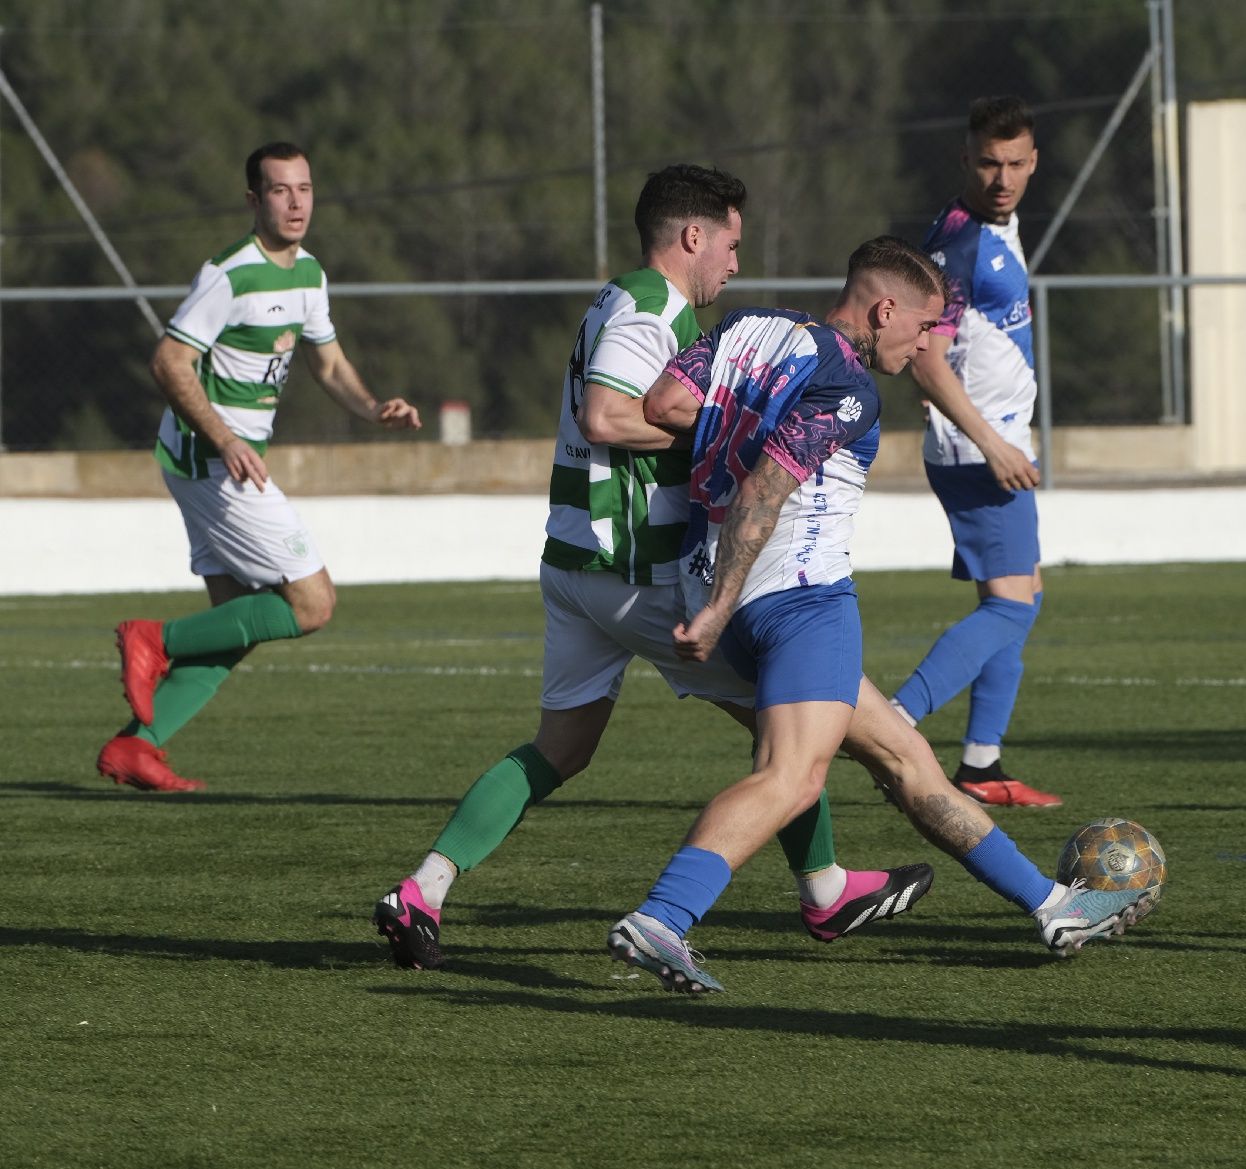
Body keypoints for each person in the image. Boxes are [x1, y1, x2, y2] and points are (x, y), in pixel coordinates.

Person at [372, 166, 933, 970]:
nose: (735, 265)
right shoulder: (651, 305)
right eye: (731, 244)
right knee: (791, 729)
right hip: (630, 564)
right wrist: (728, 432)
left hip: (575, 560)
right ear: (692, 236)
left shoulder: (617, 297)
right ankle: (825, 890)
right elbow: (608, 415)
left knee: (561, 746)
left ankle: (422, 888)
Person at [605, 236, 1152, 994]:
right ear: (885, 309)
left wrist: (719, 588)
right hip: (800, 601)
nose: (931, 344)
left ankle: (1054, 905)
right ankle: (662, 916)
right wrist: (728, 595)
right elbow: (766, 488)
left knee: (905, 759)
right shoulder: (850, 386)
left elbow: (665, 405)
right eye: (926, 327)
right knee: (791, 778)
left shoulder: (745, 328)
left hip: (720, 591)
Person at [100, 142, 421, 793]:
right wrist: (223, 438)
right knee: (312, 601)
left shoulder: (308, 273)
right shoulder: (230, 273)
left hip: (217, 460)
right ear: (255, 200)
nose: (296, 201)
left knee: (239, 620)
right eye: (280, 190)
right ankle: (152, 637)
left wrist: (371, 408)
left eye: (305, 187)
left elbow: (327, 364)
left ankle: (137, 746)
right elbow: (168, 363)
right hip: (212, 459)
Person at [890, 95, 1058, 808]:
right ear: (966, 159)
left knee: (1021, 594)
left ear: (1033, 161)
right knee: (1013, 609)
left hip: (989, 442)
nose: (1003, 177)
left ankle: (982, 764)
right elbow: (927, 356)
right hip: (977, 451)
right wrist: (991, 443)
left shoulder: (993, 226)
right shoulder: (962, 245)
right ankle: (890, 725)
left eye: (1016, 163)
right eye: (989, 162)